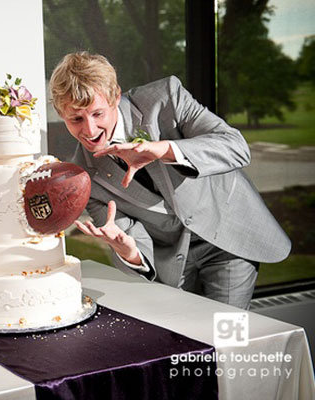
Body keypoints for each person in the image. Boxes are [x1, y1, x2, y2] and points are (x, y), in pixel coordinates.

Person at [49, 52, 290, 310]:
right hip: (174, 264)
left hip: (227, 237)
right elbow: (131, 242)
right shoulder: (84, 177)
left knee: (225, 337)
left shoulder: (166, 98)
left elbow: (236, 147)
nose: (90, 130)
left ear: (115, 97)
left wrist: (164, 150)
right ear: (60, 113)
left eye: (97, 114)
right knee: (187, 344)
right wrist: (128, 251)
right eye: (76, 119)